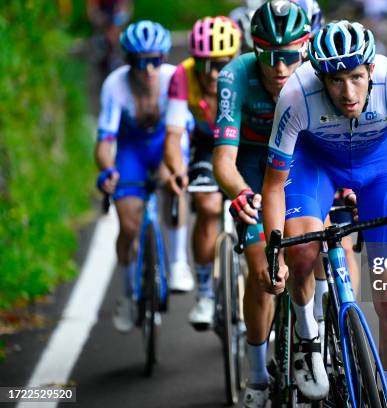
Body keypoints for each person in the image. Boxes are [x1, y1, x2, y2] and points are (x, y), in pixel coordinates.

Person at [261, 20, 387, 408]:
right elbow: (272, 185)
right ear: (320, 78)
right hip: (315, 166)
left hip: (377, 169)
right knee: (302, 252)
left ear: (371, 69)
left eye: (355, 77)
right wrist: (275, 253)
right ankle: (307, 335)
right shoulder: (297, 94)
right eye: (335, 81)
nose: (348, 92)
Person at [211, 1, 310, 406]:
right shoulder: (235, 76)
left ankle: (317, 335)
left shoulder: (313, 74)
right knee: (263, 273)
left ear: (303, 49)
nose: (280, 68)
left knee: (317, 248)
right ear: (254, 50)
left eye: (289, 56)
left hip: (298, 164)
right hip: (251, 166)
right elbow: (223, 161)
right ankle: (255, 372)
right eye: (269, 56)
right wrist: (240, 192)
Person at [95, 20, 191, 333]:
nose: (149, 70)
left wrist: (176, 170)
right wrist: (108, 171)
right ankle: (127, 291)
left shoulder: (173, 77)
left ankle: (177, 263)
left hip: (166, 141)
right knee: (129, 223)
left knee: (173, 186)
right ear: (128, 61)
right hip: (131, 148)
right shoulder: (115, 84)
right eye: (140, 62)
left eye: (155, 60)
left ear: (163, 59)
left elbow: (180, 132)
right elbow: (106, 140)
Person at [164, 16, 242, 330]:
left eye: (221, 64)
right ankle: (206, 293)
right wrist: (178, 171)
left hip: (244, 139)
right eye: (204, 64)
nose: (211, 74)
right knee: (208, 205)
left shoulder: (247, 71)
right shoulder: (182, 76)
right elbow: (172, 135)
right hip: (206, 144)